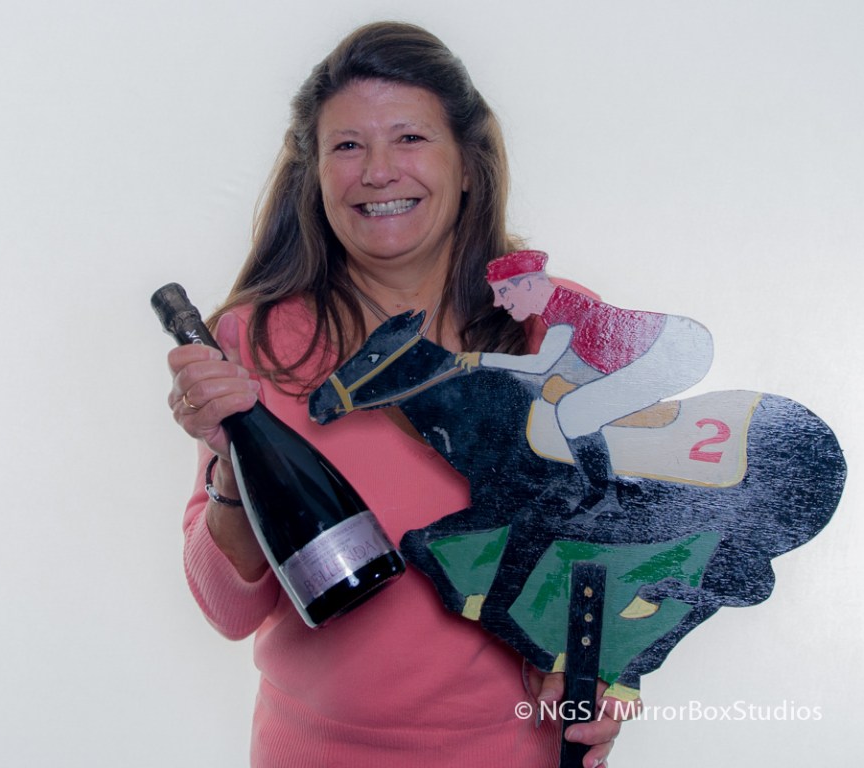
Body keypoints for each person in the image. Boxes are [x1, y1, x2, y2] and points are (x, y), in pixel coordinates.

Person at [165, 22, 626, 767]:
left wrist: (607, 671)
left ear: (468, 163)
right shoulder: (255, 339)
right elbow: (229, 608)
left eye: (409, 138)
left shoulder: (556, 326)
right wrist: (229, 468)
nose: (378, 172)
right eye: (347, 146)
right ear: (316, 175)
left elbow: (619, 538)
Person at [479, 249, 714, 513]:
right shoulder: (558, 308)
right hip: (679, 342)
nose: (498, 302)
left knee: (573, 410)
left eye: (503, 292)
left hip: (679, 348)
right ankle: (605, 493)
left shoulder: (563, 309)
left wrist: (481, 359)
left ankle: (604, 497)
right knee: (578, 406)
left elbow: (540, 365)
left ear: (528, 284)